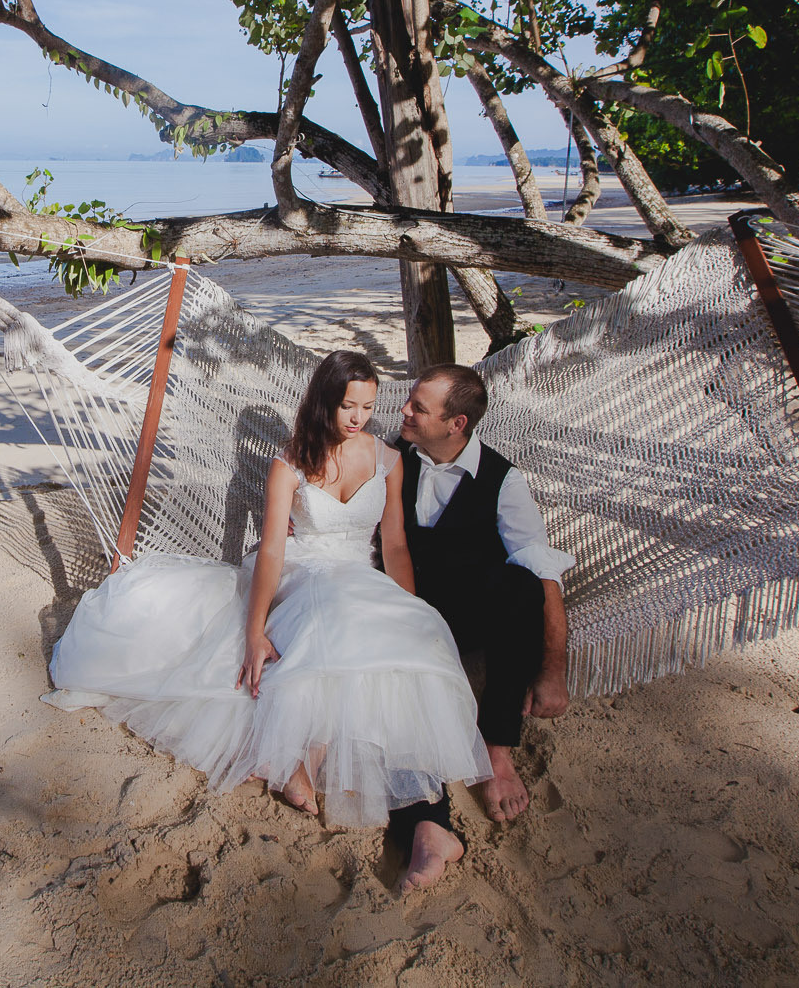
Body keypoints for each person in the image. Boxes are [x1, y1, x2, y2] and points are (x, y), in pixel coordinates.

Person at [45, 351, 490, 831]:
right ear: (324, 402)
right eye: (347, 406)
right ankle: (301, 761)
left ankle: (307, 762)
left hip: (360, 574)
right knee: (330, 615)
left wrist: (410, 604)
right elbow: (274, 552)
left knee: (386, 628)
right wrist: (255, 632)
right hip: (303, 570)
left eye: (368, 405)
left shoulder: (389, 460)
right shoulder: (290, 464)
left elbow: (396, 544)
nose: (359, 418)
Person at [387, 365, 575, 893]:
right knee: (399, 675)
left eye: (418, 408)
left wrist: (552, 671)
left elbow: (543, 574)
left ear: (457, 423)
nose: (404, 411)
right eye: (409, 402)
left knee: (522, 587)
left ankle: (496, 749)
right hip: (407, 608)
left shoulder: (502, 479)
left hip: (471, 612)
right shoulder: (390, 456)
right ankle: (429, 821)